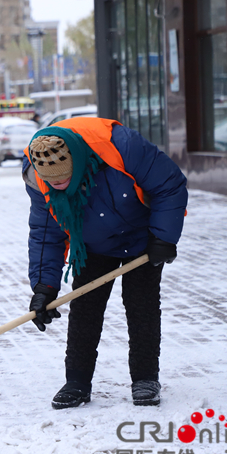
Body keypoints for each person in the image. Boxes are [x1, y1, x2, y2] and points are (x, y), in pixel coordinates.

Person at [22, 116, 187, 409]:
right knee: (85, 307)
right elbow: (46, 231)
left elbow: (169, 185)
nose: (57, 186)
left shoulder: (121, 146)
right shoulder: (37, 175)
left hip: (142, 235)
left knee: (142, 305)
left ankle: (145, 379)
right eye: (52, 183)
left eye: (64, 179)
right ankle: (77, 382)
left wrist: (164, 238)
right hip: (91, 242)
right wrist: (44, 287)